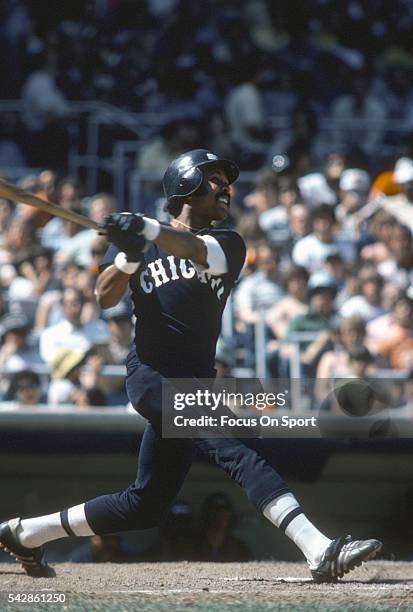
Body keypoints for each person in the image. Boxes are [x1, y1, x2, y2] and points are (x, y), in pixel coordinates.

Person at [0, 149, 381, 581]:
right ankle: (318, 549)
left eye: (226, 180)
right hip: (151, 379)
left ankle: (24, 534)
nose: (225, 187)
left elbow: (194, 248)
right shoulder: (144, 247)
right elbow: (103, 296)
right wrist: (126, 255)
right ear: (184, 184)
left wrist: (144, 229)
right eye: (213, 178)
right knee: (235, 443)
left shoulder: (229, 245)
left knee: (145, 503)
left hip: (192, 384)